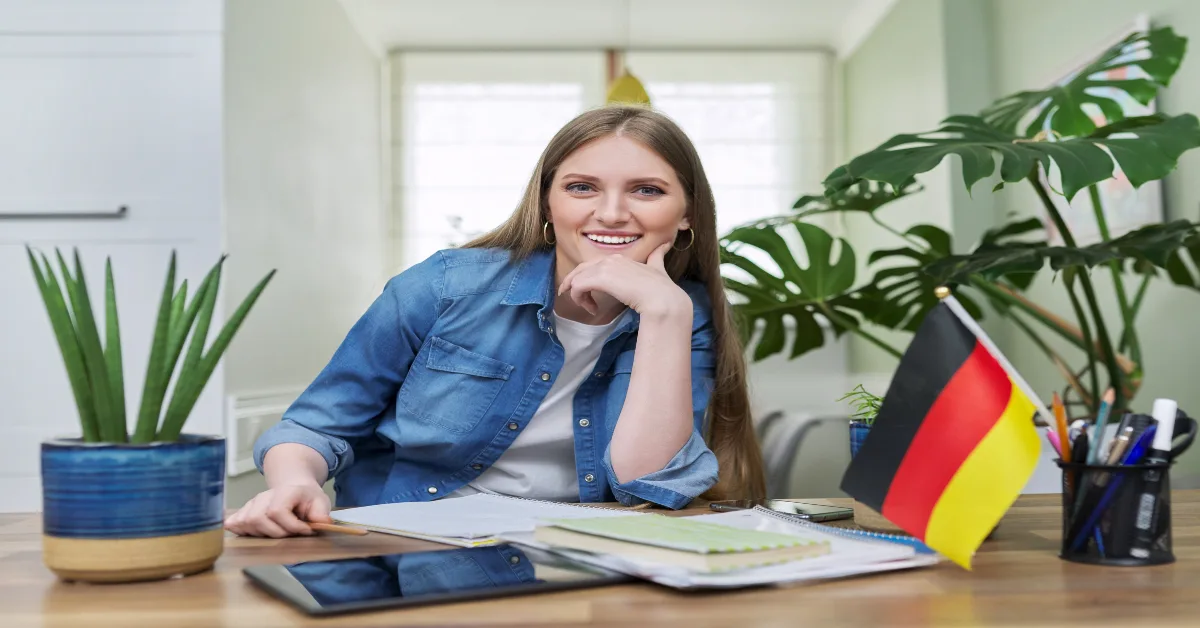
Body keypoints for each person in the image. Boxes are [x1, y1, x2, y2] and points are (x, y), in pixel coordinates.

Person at [225, 105, 765, 538]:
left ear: (688, 212)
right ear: (547, 203)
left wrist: (664, 313)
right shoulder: (443, 286)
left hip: (576, 552)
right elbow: (316, 426)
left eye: (647, 190)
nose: (613, 212)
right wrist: (293, 482)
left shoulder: (683, 314)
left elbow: (647, 484)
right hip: (407, 542)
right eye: (582, 188)